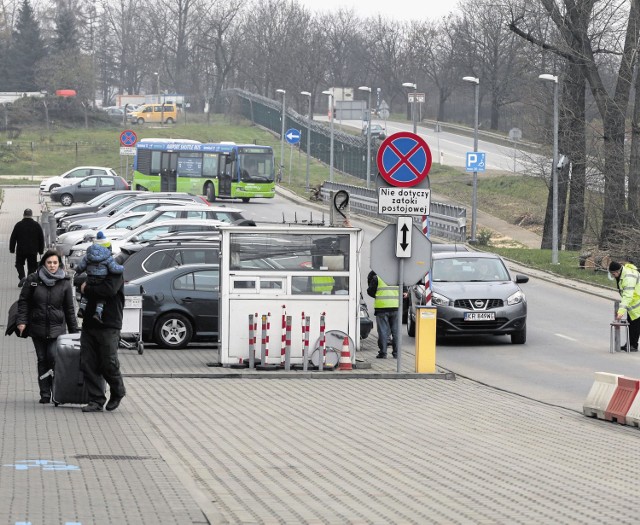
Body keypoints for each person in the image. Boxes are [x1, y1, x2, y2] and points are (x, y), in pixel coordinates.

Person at [16, 249, 79, 404]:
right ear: (44, 263)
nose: (52, 266)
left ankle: (57, 391)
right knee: (42, 358)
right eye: (49, 262)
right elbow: (23, 302)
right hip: (37, 326)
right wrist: (22, 321)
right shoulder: (33, 279)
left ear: (59, 265)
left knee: (53, 357)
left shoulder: (64, 282)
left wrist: (74, 332)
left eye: (55, 263)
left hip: (57, 328)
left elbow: (69, 309)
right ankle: (45, 393)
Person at [77, 260, 127, 413]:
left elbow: (108, 290)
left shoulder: (115, 273)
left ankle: (118, 391)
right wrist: (86, 284)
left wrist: (88, 287)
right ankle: (96, 400)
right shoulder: (90, 270)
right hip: (89, 324)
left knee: (108, 362)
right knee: (87, 363)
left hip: (109, 324)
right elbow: (77, 280)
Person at [74, 231, 124, 322]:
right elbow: (114, 270)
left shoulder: (88, 256)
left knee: (85, 296)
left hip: (90, 278)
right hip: (109, 323)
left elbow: (81, 267)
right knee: (101, 299)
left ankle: (81, 308)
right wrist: (122, 268)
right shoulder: (108, 259)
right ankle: (98, 313)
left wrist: (77, 272)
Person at [367, 270, 406, 359]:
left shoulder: (377, 278)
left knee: (383, 332)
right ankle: (396, 353)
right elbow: (403, 291)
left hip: (381, 308)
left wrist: (378, 295)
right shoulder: (397, 278)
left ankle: (383, 353)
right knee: (396, 332)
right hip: (395, 307)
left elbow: (370, 291)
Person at [609, 260, 640, 352]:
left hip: (637, 302)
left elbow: (627, 295)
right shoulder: (623, 273)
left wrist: (621, 312)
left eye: (613, 274)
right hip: (634, 302)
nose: (613, 276)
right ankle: (630, 344)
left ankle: (633, 345)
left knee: (635, 325)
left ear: (617, 271)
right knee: (632, 324)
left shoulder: (628, 278)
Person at [10, 208, 45, 288]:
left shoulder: (18, 225)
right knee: (32, 266)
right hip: (33, 250)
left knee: (19, 264)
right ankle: (29, 280)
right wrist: (41, 250)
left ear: (23, 215)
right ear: (31, 215)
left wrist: (12, 248)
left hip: (21, 250)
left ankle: (22, 277)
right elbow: (41, 238)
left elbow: (13, 237)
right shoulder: (36, 225)